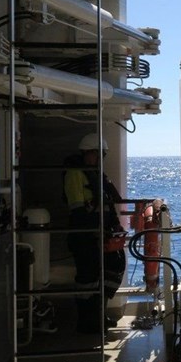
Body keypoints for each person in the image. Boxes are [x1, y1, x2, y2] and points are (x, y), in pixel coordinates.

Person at [64, 133, 126, 334]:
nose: (99, 158)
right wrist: (93, 230)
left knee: (113, 267)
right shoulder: (75, 175)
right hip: (85, 236)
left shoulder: (97, 175)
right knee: (88, 278)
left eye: (102, 155)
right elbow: (77, 208)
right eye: (96, 154)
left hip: (101, 234)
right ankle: (87, 321)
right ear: (86, 154)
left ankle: (98, 315)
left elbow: (108, 204)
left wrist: (115, 226)